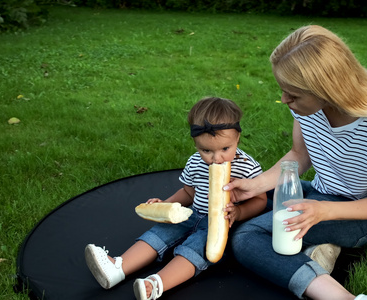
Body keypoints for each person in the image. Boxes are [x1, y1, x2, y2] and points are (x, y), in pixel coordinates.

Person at [225, 25, 367, 300]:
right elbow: (299, 156)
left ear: (326, 89)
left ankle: (343, 298)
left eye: (293, 94)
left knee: (248, 237)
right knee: (251, 203)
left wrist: (323, 211)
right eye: (283, 91)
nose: (284, 100)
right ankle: (320, 247)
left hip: (366, 214)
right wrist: (255, 186)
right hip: (319, 192)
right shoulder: (309, 108)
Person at [85, 97, 267, 300]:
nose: (216, 158)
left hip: (222, 225)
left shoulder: (248, 167)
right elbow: (188, 193)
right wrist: (167, 204)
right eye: (206, 150)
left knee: (196, 249)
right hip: (193, 214)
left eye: (225, 149)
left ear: (237, 138)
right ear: (196, 143)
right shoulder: (195, 162)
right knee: (160, 232)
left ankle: (156, 284)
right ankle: (118, 267)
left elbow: (260, 200)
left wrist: (240, 212)